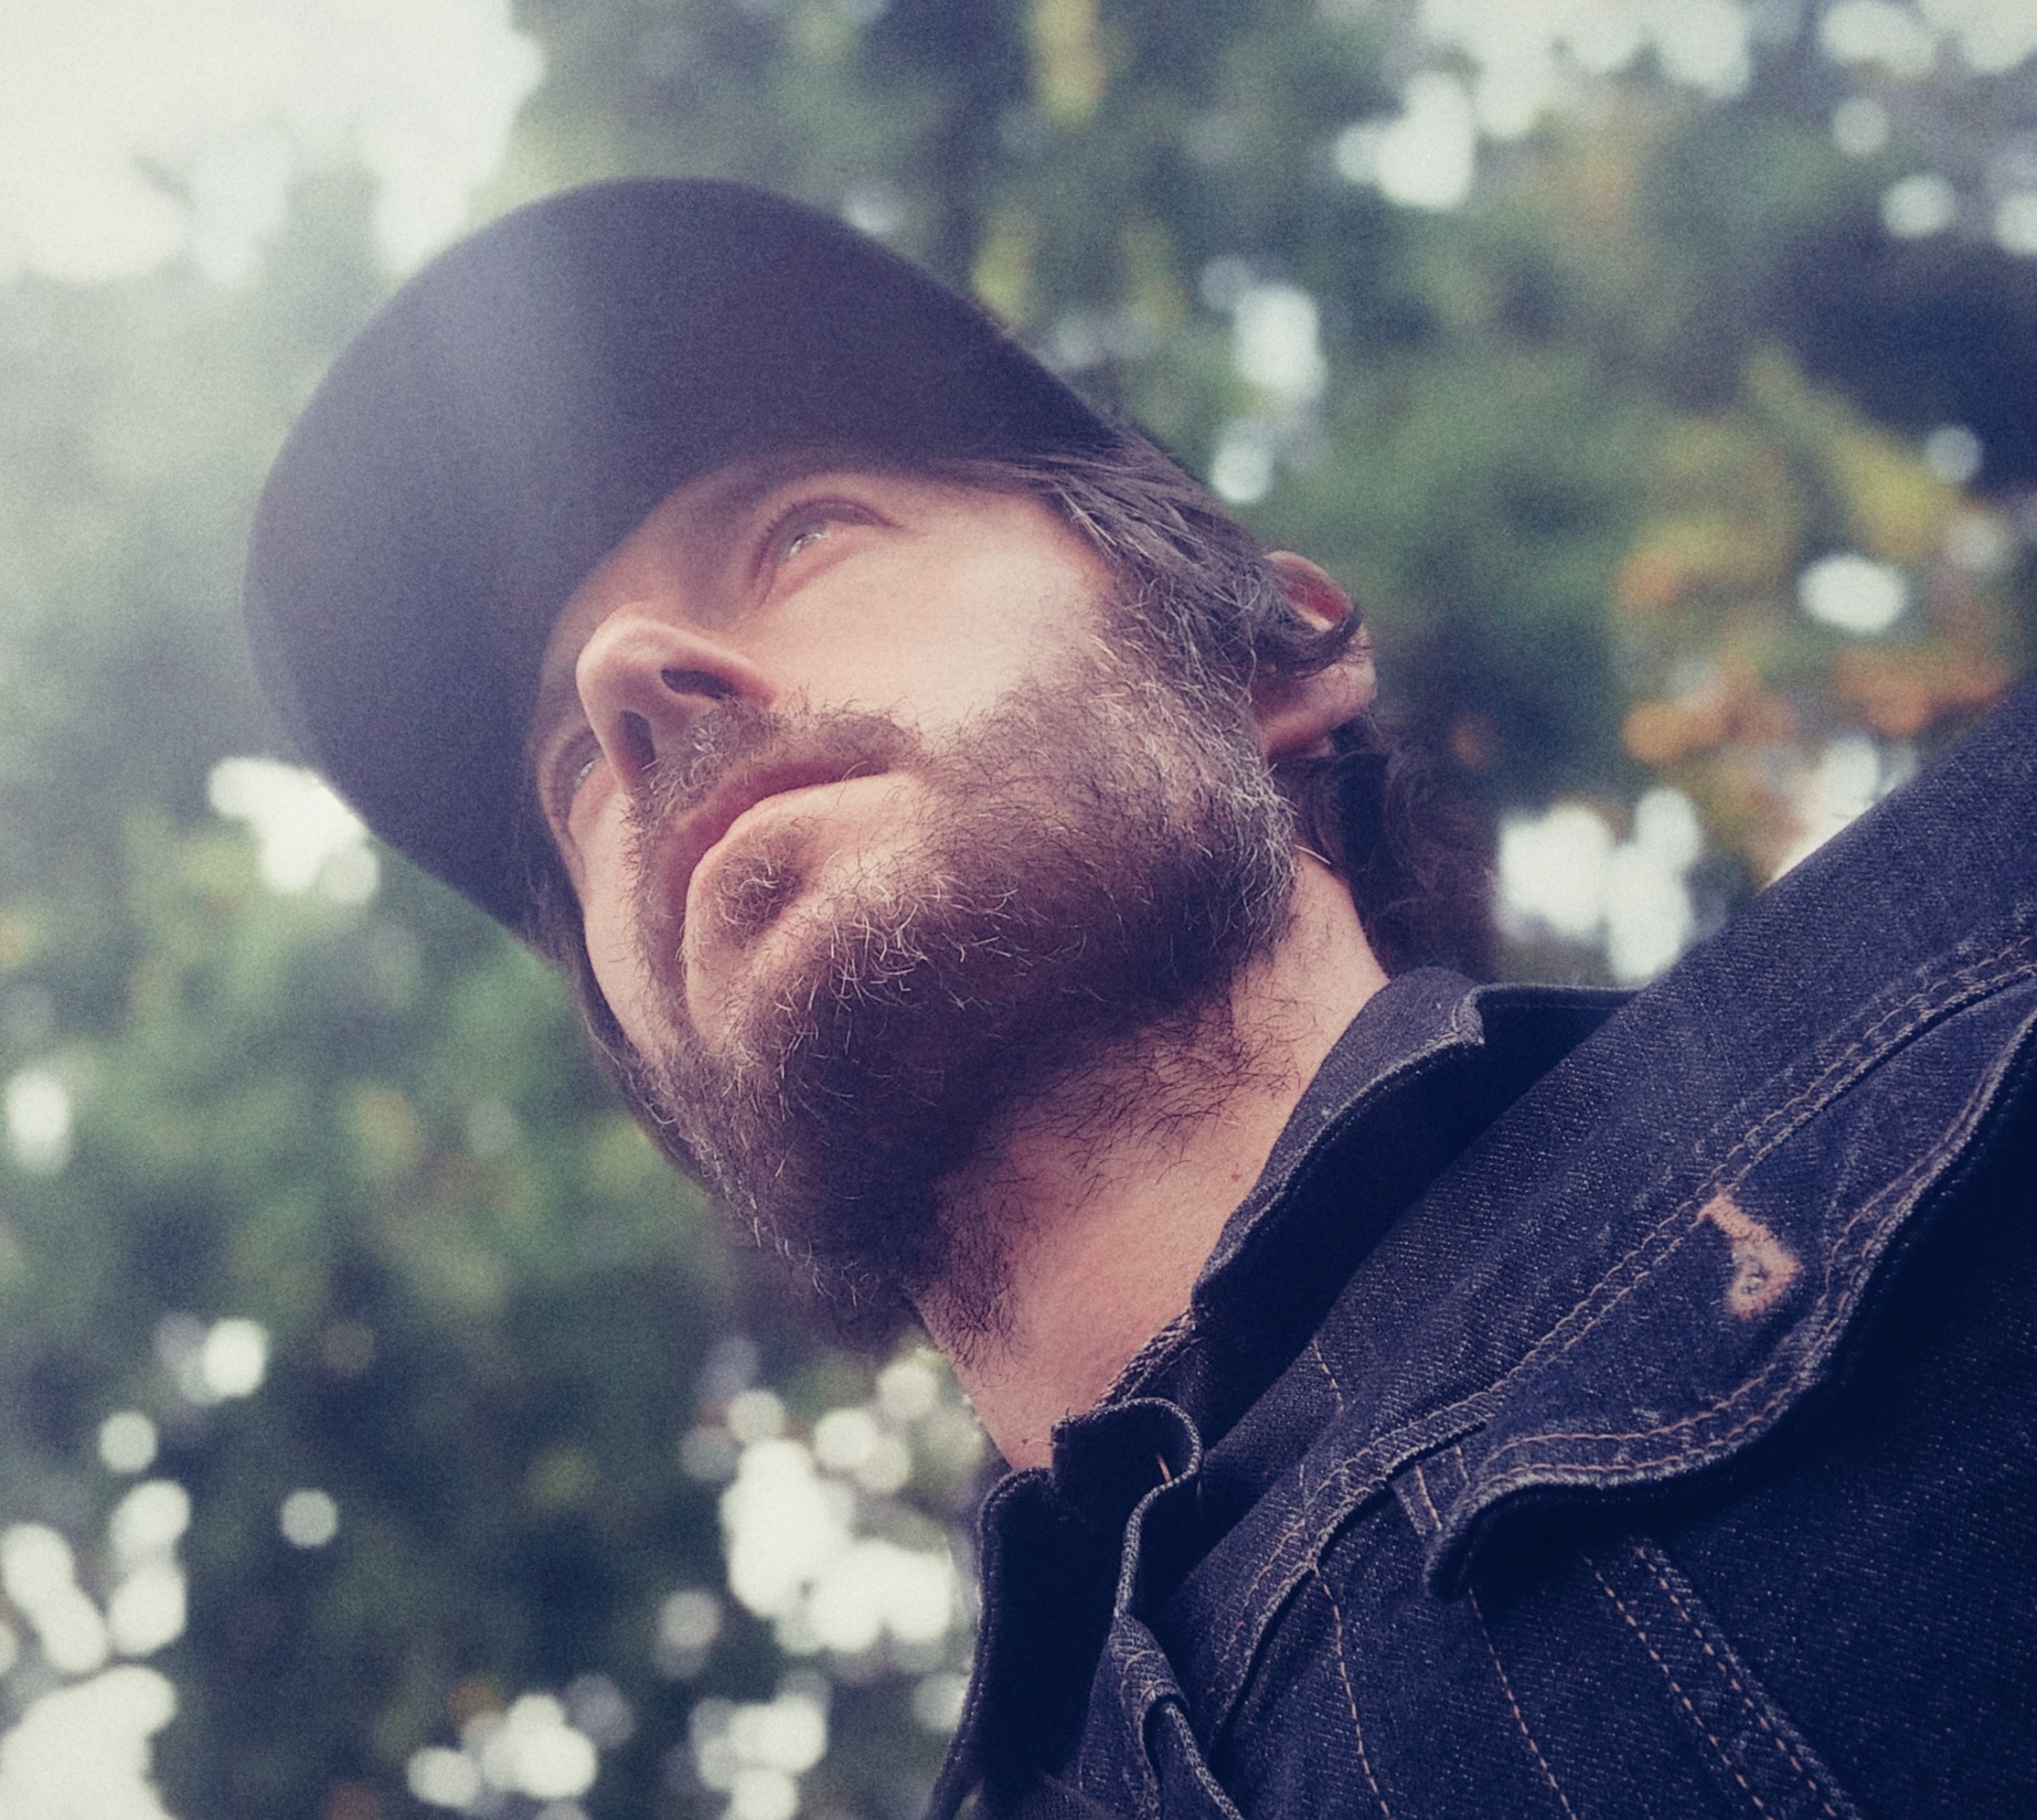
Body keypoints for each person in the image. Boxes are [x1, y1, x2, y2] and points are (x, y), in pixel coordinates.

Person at [245, 176, 2037, 1820]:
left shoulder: (1981, 966)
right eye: (569, 767)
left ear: (1268, 649)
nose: (624, 682)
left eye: (801, 535)